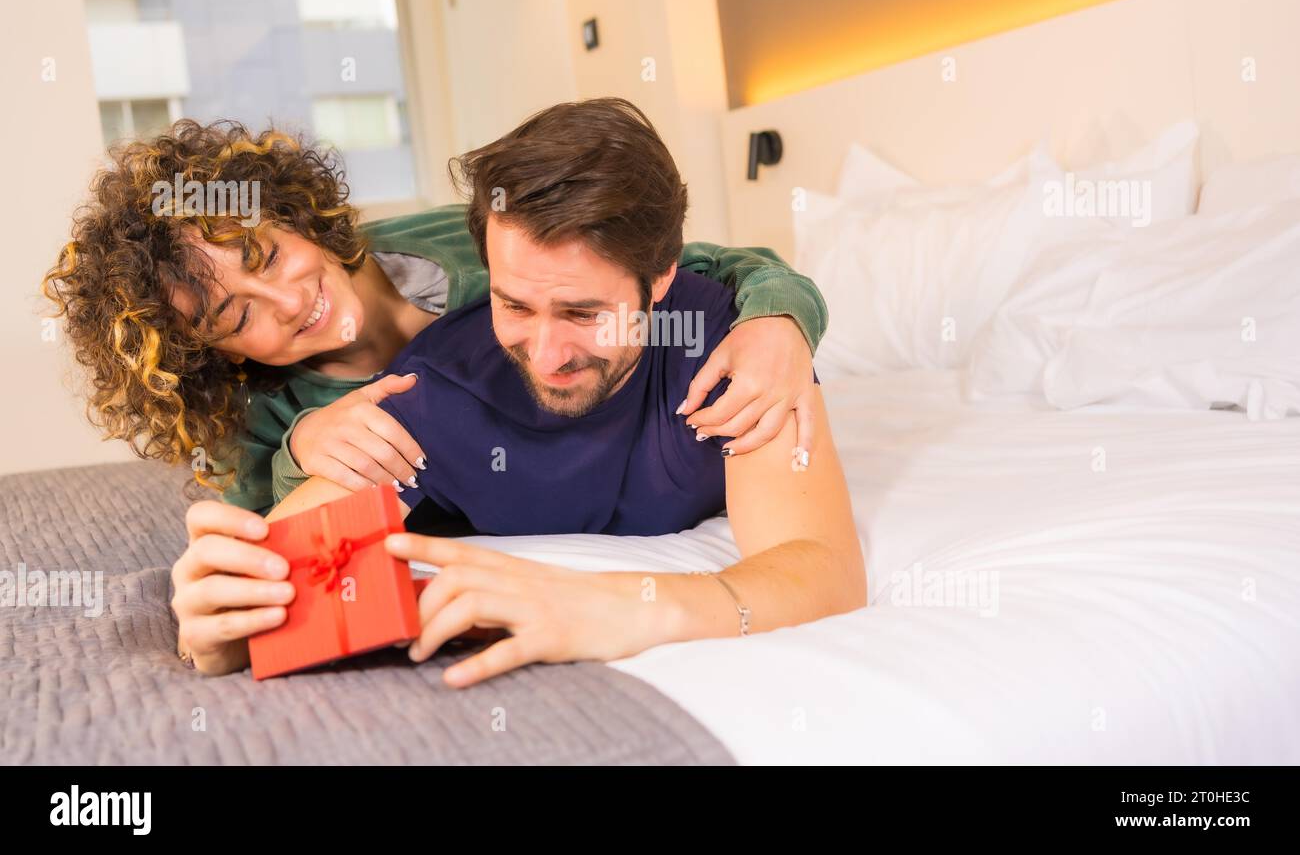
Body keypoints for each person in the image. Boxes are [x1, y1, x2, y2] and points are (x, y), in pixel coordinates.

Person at [186, 98, 866, 683]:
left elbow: (821, 571)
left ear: (660, 281)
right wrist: (216, 633)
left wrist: (627, 606)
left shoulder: (736, 350)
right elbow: (269, 594)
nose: (546, 356)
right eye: (513, 306)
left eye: (583, 314)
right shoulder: (431, 391)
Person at [42, 119, 829, 517]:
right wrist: (300, 449)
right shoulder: (257, 417)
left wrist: (781, 323)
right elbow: (269, 532)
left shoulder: (450, 240)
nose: (290, 302)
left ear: (296, 218)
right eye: (235, 315)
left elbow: (711, 264)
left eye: (269, 258)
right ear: (208, 354)